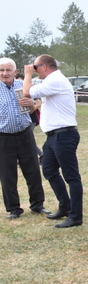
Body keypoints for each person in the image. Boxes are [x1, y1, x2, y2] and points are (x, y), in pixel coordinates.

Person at [22, 55, 85, 228]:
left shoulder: (55, 80)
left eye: (35, 67)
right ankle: (65, 206)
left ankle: (76, 216)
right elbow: (45, 103)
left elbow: (27, 91)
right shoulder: (53, 81)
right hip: (54, 136)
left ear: (44, 67)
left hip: (64, 135)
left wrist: (27, 74)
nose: (33, 69)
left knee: (71, 176)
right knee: (49, 170)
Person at [0, 58, 48, 219]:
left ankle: (37, 205)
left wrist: (32, 105)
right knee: (7, 174)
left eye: (8, 70)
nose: (4, 73)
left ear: (15, 72)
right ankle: (14, 209)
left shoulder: (23, 86)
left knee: (33, 170)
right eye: (1, 70)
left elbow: (38, 101)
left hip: (25, 133)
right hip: (3, 137)